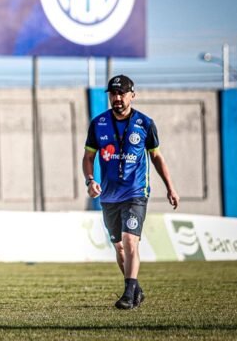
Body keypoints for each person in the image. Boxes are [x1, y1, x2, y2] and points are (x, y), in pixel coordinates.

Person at [82, 74, 179, 310]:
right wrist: (90, 180)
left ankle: (127, 293)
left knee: (130, 239)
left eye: (122, 93)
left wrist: (170, 187)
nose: (117, 98)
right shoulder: (98, 124)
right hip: (108, 196)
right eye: (113, 94)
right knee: (119, 247)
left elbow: (156, 157)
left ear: (132, 95)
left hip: (136, 192)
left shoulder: (145, 124)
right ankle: (135, 288)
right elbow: (88, 157)